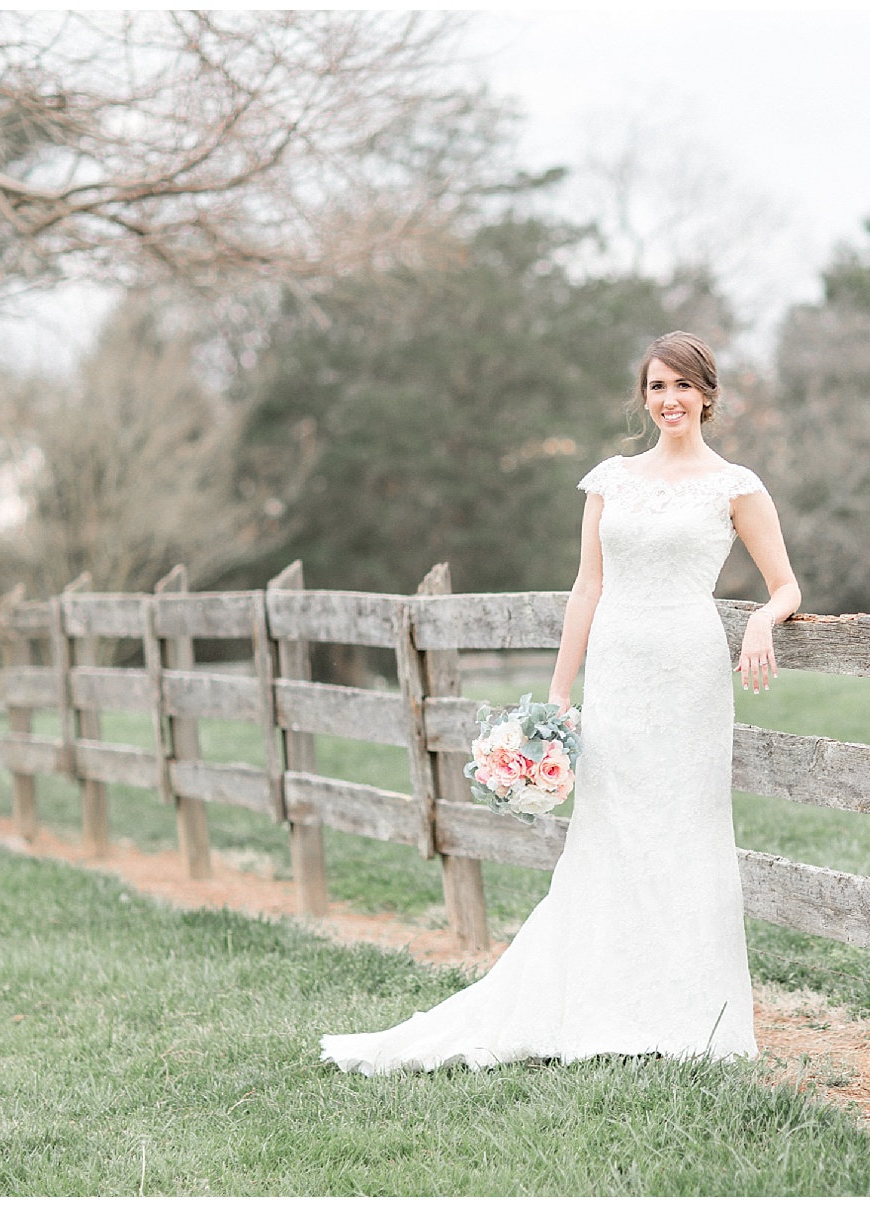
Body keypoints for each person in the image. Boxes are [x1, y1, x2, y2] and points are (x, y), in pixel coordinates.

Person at [321, 330, 801, 1073]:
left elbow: (786, 585)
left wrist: (765, 621)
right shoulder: (610, 478)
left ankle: (690, 1017)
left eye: (682, 385)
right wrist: (557, 692)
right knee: (610, 833)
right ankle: (601, 1003)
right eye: (657, 386)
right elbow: (588, 586)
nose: (669, 399)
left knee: (685, 833)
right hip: (616, 668)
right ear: (644, 397)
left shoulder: (735, 486)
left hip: (688, 671)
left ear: (707, 394)